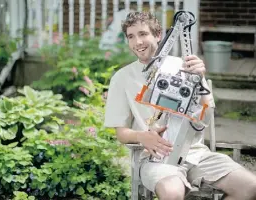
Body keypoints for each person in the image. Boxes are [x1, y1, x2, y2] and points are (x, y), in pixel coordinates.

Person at [104, 11, 256, 200]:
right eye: (131, 37)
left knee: (250, 187)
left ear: (158, 35)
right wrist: (142, 137)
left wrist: (199, 79)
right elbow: (121, 133)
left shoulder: (186, 66)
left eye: (143, 34)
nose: (138, 42)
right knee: (173, 192)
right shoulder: (122, 78)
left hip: (195, 153)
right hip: (155, 158)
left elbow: (205, 115)